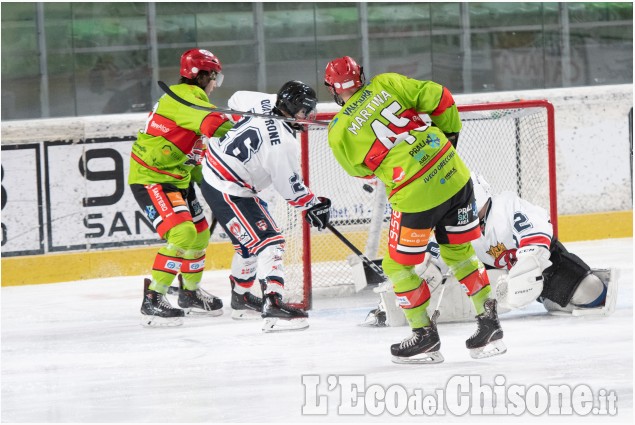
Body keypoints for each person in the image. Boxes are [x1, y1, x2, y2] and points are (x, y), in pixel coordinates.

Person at [324, 56, 505, 364]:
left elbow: (362, 172)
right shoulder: (387, 82)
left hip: (415, 192)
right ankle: (489, 324)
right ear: (362, 76)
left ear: (332, 89)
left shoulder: (338, 131)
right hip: (454, 173)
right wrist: (448, 138)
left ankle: (424, 336)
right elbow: (441, 98)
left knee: (397, 267)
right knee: (460, 255)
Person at [199, 80, 331, 332]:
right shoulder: (283, 144)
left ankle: (242, 298)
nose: (307, 116)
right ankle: (273, 305)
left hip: (217, 173)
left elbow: (236, 97)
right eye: (304, 111)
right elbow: (291, 191)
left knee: (250, 244)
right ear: (291, 107)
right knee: (270, 242)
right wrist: (314, 205)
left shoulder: (264, 102)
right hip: (229, 187)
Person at [128, 48, 234, 327]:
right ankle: (153, 298)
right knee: (183, 233)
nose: (215, 85)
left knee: (199, 234)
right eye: (215, 78)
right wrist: (249, 121)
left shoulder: (185, 98)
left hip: (177, 179)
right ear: (203, 76)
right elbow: (216, 124)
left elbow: (196, 147)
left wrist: (210, 183)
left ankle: (189, 294)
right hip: (153, 179)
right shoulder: (188, 98)